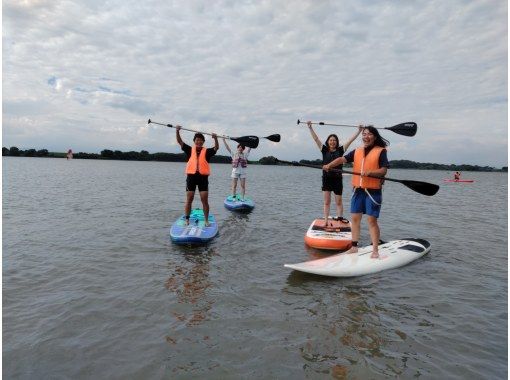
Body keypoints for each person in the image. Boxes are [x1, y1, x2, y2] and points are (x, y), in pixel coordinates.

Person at [323, 126, 389, 259]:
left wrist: (371, 173)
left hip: (373, 191)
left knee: (371, 221)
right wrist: (330, 165)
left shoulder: (381, 151)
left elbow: (383, 170)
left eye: (369, 134)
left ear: (374, 137)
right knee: (355, 219)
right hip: (358, 190)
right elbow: (342, 159)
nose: (365, 136)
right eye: (364, 134)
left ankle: (375, 250)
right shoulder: (357, 151)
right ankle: (354, 247)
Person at [307, 121, 362, 227]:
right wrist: (310, 127)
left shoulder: (341, 150)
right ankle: (326, 221)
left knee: (338, 202)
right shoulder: (324, 150)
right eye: (330, 140)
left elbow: (351, 140)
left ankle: (339, 221)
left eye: (334, 140)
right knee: (327, 202)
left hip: (337, 179)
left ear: (337, 142)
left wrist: (358, 131)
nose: (332, 142)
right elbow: (316, 139)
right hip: (326, 179)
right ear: (328, 142)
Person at [176, 126, 219, 226]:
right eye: (197, 140)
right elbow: (180, 142)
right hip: (191, 178)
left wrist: (215, 138)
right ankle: (187, 219)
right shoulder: (190, 150)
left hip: (203, 179)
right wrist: (177, 131)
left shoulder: (207, 152)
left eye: (201, 140)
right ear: (194, 141)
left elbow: (216, 148)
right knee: (189, 198)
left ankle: (206, 220)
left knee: (204, 199)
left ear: (203, 142)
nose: (199, 141)